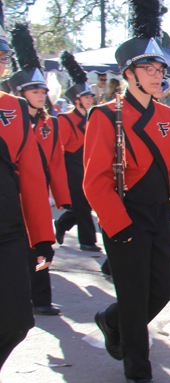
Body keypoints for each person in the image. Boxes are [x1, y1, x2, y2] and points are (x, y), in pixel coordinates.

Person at [83, 0, 170, 383]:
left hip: (158, 213)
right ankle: (138, 366)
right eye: (148, 68)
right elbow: (95, 181)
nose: (156, 74)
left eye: (160, 67)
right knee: (133, 293)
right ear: (128, 74)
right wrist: (117, 223)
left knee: (164, 285)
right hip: (125, 213)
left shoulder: (168, 114)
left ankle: (111, 321)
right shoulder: (104, 115)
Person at [0, 0, 56, 383]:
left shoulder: (15, 108)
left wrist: (42, 235)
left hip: (8, 231)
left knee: (17, 320)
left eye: (2, 55)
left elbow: (32, 175)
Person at [8, 23, 71, 316]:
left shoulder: (50, 124)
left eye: (43, 90)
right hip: (11, 191)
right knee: (16, 247)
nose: (40, 94)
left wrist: (62, 197)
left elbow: (56, 161)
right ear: (20, 92)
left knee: (41, 244)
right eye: (34, 90)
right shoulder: (10, 118)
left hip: (37, 192)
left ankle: (42, 299)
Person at [56, 51, 100, 252]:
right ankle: (87, 241)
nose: (90, 100)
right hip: (73, 166)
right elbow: (60, 148)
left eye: (90, 97)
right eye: (86, 97)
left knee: (89, 203)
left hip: (90, 164)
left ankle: (62, 223)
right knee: (82, 204)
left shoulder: (93, 117)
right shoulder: (65, 119)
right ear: (76, 100)